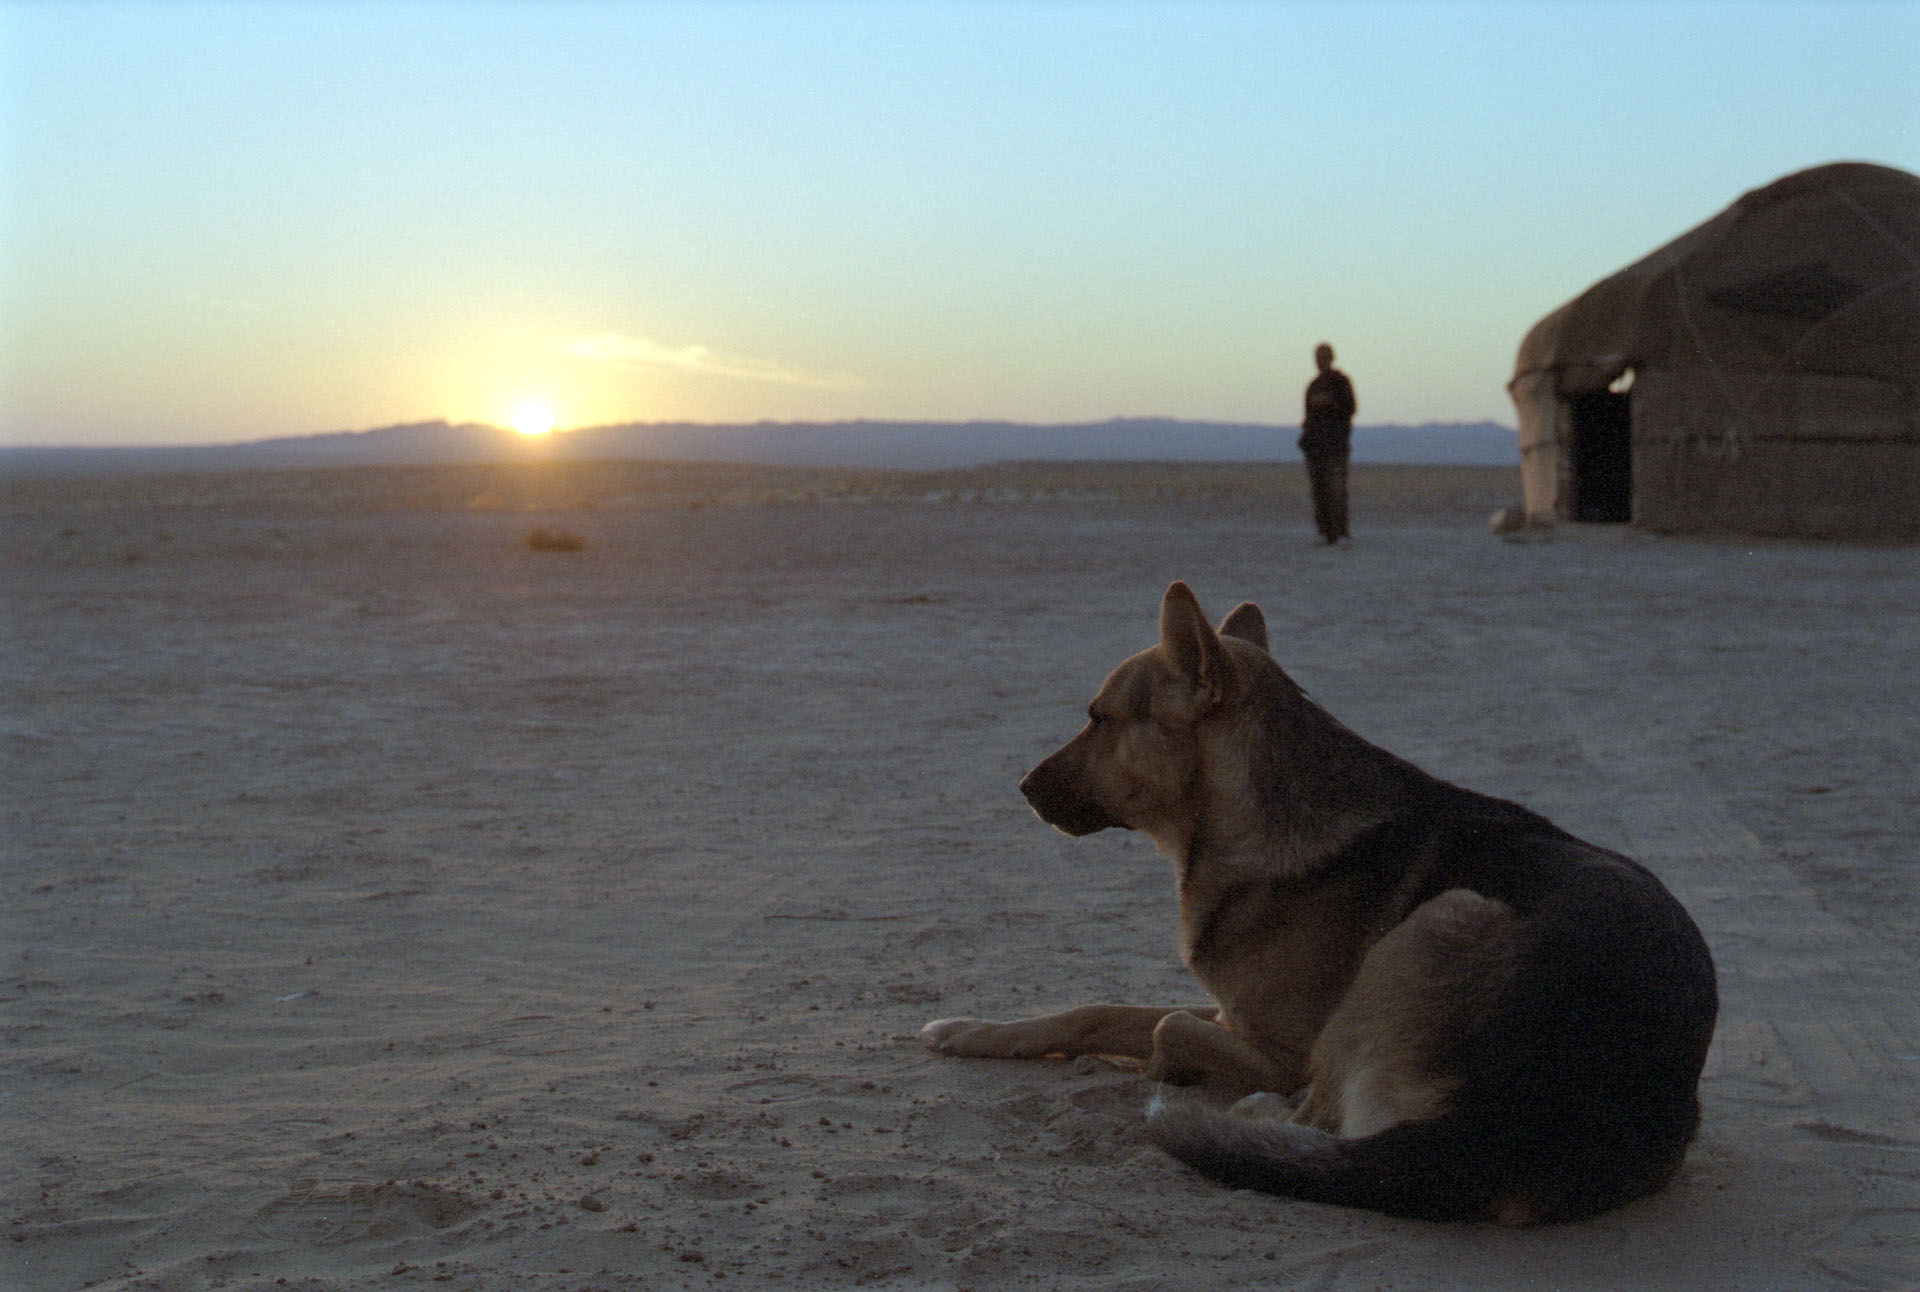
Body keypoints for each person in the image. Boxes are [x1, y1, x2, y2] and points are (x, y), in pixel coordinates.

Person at [1298, 343, 1356, 545]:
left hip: (1336, 446)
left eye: (1323, 356)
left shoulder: (1341, 382)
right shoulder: (1313, 386)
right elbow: (1307, 416)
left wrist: (1330, 403)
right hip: (1316, 447)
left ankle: (1341, 533)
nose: (1320, 361)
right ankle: (1325, 532)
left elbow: (1350, 408)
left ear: (1331, 357)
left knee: (1337, 489)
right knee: (1319, 490)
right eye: (1317, 357)